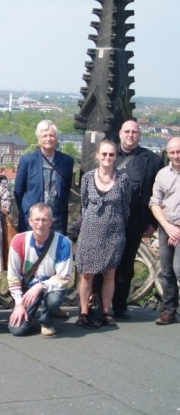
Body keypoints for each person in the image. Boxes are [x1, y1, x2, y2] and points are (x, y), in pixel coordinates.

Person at [75, 140, 130, 328]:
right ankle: (83, 312)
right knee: (87, 275)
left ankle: (106, 311)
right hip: (90, 232)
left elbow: (125, 207)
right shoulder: (88, 178)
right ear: (97, 155)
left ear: (115, 157)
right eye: (104, 154)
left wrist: (116, 225)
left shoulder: (123, 180)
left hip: (113, 233)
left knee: (109, 275)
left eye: (111, 154)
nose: (107, 158)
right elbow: (84, 204)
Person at [112, 120, 163, 318]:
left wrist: (153, 224)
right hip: (108, 223)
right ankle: (101, 303)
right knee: (106, 265)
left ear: (139, 135)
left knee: (126, 266)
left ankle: (120, 305)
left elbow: (159, 195)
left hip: (135, 223)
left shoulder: (152, 160)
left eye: (134, 132)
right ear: (120, 133)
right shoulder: (108, 155)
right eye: (127, 131)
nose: (130, 135)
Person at [7, 203, 73, 337]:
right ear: (30, 221)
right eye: (36, 219)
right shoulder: (18, 241)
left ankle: (47, 320)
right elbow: (13, 276)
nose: (40, 224)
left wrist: (40, 286)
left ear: (51, 222)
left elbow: (63, 277)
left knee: (54, 298)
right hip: (27, 288)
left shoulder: (63, 243)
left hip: (49, 288)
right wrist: (19, 304)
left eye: (45, 220)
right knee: (17, 330)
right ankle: (30, 314)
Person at [14, 120, 74, 235]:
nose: (48, 139)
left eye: (51, 135)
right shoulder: (28, 160)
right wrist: (28, 210)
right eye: (44, 136)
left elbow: (66, 190)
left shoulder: (67, 161)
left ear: (56, 138)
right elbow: (18, 191)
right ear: (38, 139)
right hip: (33, 222)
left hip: (57, 221)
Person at [149, 137, 180, 326]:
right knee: (167, 271)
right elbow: (154, 202)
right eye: (173, 152)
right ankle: (169, 311)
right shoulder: (162, 174)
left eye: (179, 151)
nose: (177, 156)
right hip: (166, 226)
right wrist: (168, 228)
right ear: (167, 153)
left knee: (179, 269)